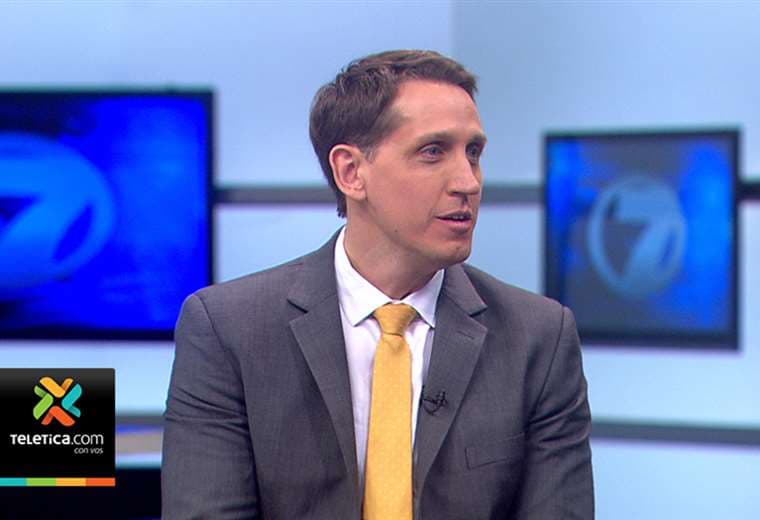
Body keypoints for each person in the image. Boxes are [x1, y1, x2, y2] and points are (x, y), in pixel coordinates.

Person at [162, 49, 594, 519]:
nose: (468, 182)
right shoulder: (229, 330)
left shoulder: (538, 338)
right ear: (351, 172)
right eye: (433, 152)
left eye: (473, 153)